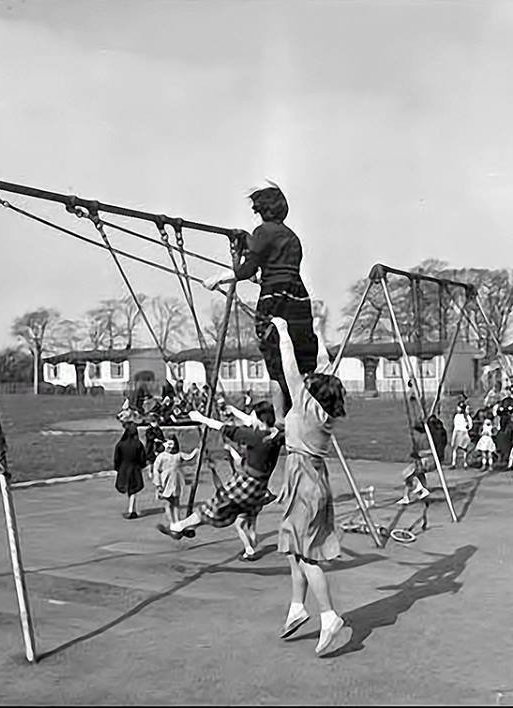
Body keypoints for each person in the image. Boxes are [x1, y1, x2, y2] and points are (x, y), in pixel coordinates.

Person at [203, 185, 318, 422]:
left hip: (274, 301)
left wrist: (218, 279)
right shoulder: (292, 237)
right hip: (299, 300)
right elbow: (280, 271)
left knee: (275, 361)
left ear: (262, 210)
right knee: (299, 358)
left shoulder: (263, 232)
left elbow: (246, 270)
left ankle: (279, 420)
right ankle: (303, 411)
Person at [272, 315, 348, 656]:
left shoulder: (305, 406)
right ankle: (296, 606)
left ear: (311, 393)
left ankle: (329, 615)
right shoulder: (323, 409)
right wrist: (317, 332)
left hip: (303, 480)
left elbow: (289, 368)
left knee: (305, 554)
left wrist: (285, 333)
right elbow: (324, 366)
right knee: (293, 546)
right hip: (309, 477)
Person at [165, 400, 285, 560]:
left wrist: (201, 418)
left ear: (261, 420)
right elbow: (249, 421)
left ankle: (179, 526)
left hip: (246, 482)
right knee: (234, 513)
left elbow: (224, 428)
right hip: (260, 488)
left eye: (254, 416)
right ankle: (184, 526)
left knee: (213, 506)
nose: (251, 419)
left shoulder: (253, 436)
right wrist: (234, 410)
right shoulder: (276, 435)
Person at [151, 435, 200, 528]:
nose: (169, 446)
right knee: (168, 502)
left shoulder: (178, 454)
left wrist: (197, 451)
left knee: (176, 501)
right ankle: (171, 521)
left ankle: (177, 521)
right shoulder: (161, 456)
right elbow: (156, 470)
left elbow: (189, 457)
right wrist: (158, 484)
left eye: (171, 444)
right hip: (165, 481)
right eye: (167, 444)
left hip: (176, 480)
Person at [114, 422, 147, 519]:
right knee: (133, 489)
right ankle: (131, 509)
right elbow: (142, 458)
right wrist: (141, 466)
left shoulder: (120, 444)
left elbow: (117, 458)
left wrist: (117, 468)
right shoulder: (138, 444)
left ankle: (131, 509)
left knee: (129, 488)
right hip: (134, 467)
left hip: (123, 468)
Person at [450, 402, 472, 469]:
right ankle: (454, 463)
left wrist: (467, 427)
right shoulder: (457, 416)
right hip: (457, 432)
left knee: (464, 449)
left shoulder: (467, 417)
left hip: (463, 432)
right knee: (455, 448)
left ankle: (465, 463)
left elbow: (470, 425)